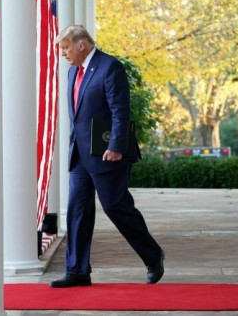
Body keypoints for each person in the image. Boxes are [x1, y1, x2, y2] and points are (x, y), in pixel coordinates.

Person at [50, 25, 164, 288]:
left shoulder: (110, 67)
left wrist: (116, 145)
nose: (63, 53)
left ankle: (153, 254)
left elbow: (120, 110)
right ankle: (77, 270)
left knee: (116, 207)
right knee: (77, 210)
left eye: (66, 47)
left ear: (81, 45)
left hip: (106, 153)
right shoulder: (71, 73)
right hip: (79, 154)